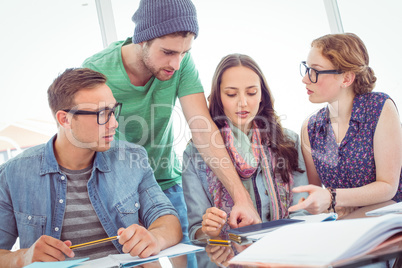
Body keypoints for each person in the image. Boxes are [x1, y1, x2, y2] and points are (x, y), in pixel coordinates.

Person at [82, 0, 261, 241]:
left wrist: (242, 200)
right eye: (168, 52)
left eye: (184, 52)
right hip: (116, 189)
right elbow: (87, 143)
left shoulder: (181, 64)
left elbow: (203, 129)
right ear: (142, 39)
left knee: (189, 256)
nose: (176, 64)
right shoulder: (96, 70)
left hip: (167, 181)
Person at [0, 68, 182, 267]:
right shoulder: (14, 174)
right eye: (102, 114)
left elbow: (167, 220)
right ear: (65, 119)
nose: (114, 123)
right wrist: (21, 258)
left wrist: (155, 238)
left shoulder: (132, 158)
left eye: (112, 111)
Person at [182, 54, 309, 240]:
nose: (243, 102)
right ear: (218, 97)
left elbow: (302, 212)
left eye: (251, 93)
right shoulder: (195, 152)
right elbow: (196, 231)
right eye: (231, 94)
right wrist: (210, 232)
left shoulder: (289, 141)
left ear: (262, 96)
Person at [289, 33, 402, 217]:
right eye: (307, 69)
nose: (305, 79)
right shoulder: (310, 128)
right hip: (344, 226)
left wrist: (333, 198)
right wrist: (318, 204)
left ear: (347, 79)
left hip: (390, 224)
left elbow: (388, 187)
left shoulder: (380, 108)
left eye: (315, 71)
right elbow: (316, 196)